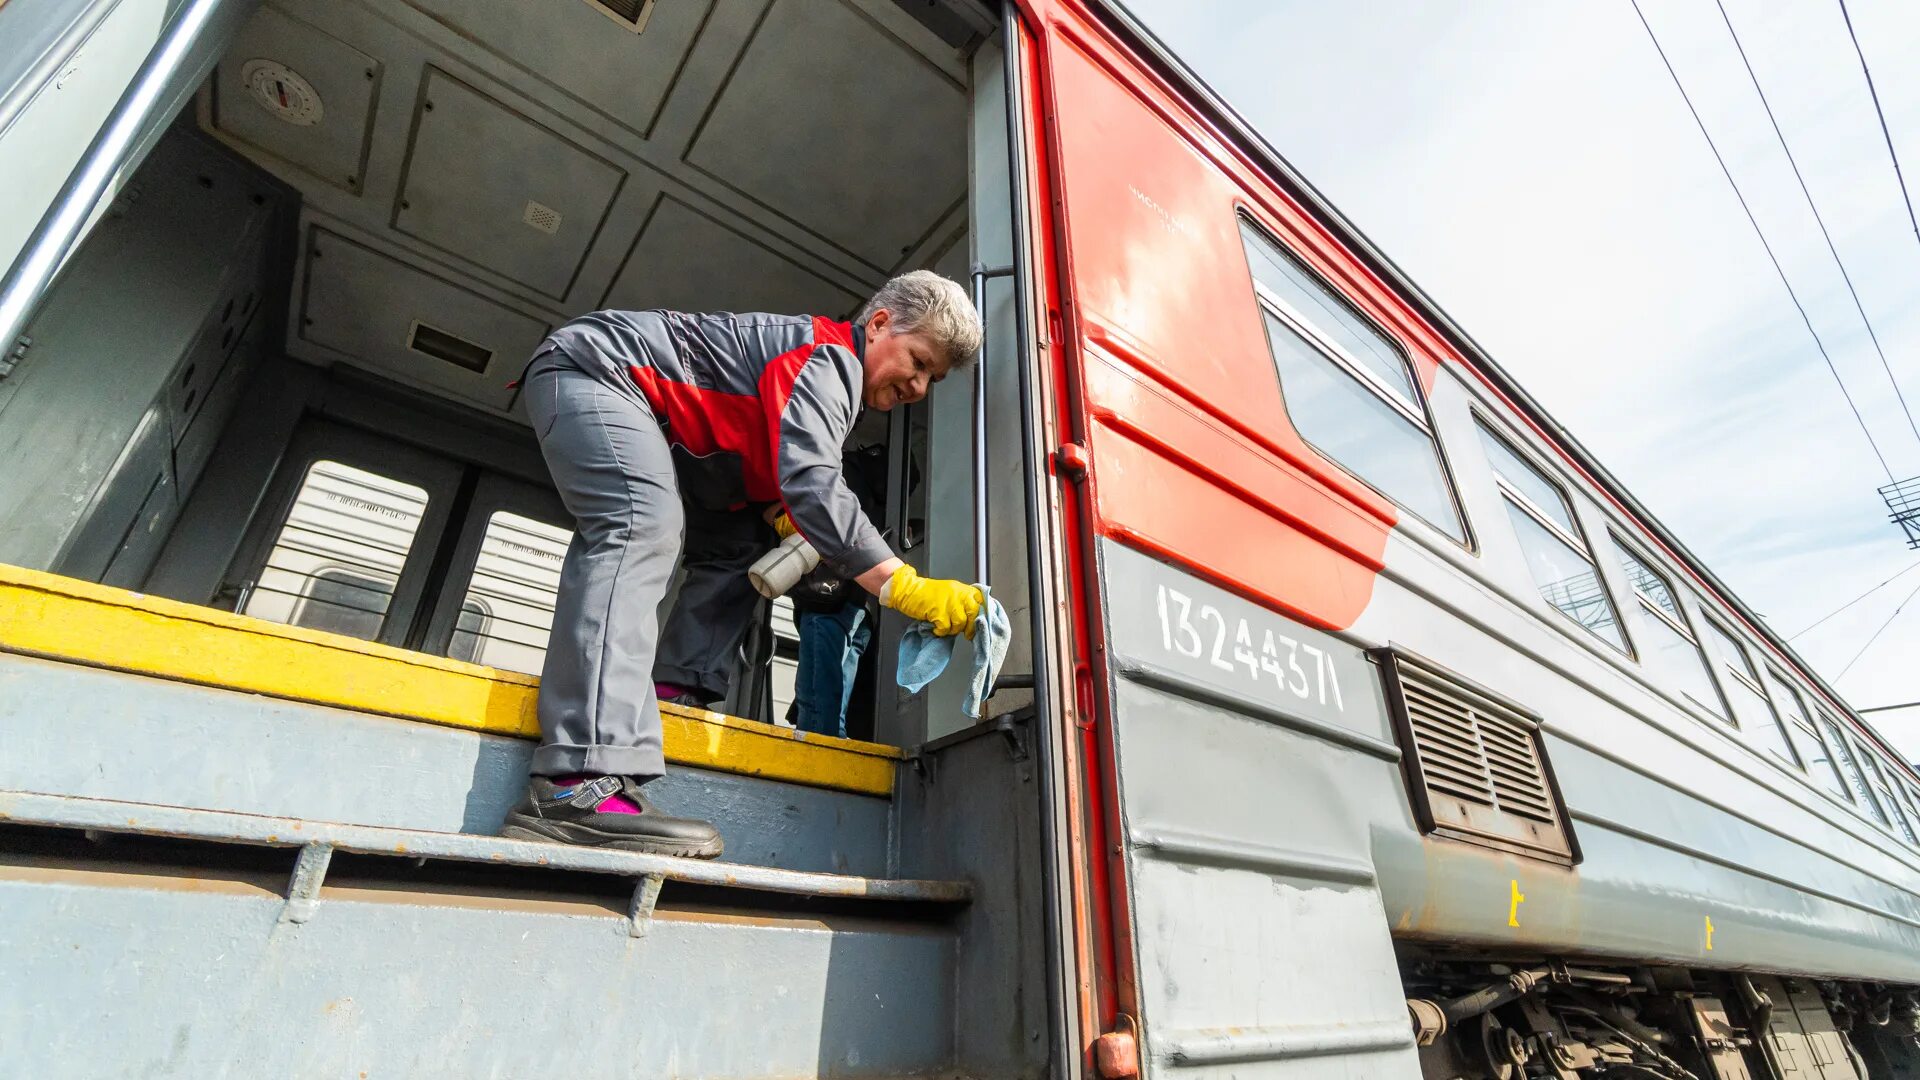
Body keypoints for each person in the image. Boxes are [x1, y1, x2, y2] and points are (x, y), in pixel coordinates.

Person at [499, 272, 984, 857]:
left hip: (669, 432)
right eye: (920, 361)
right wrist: (899, 584)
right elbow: (814, 482)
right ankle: (575, 780)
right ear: (879, 323)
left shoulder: (829, 382)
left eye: (933, 377)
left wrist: (781, 514)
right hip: (598, 370)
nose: (920, 386)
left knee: (739, 543)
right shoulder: (829, 356)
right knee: (641, 524)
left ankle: (672, 690)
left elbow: (773, 467)